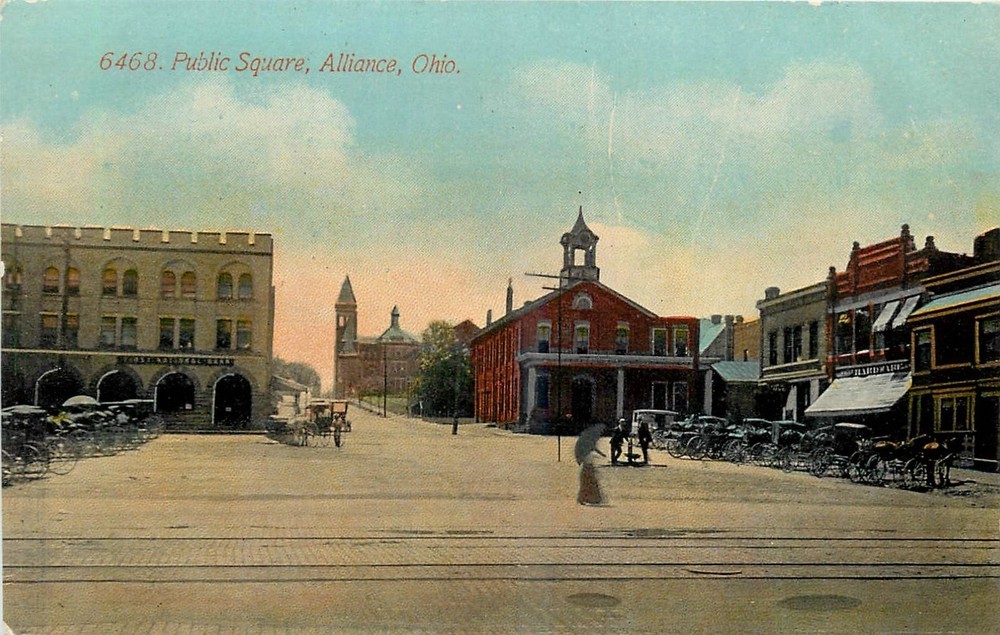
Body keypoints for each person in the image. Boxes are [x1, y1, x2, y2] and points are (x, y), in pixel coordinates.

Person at [574, 424, 607, 505]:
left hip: (588, 466)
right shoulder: (586, 443)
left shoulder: (589, 441)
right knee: (586, 484)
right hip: (586, 467)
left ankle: (591, 499)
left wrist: (601, 454)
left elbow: (593, 448)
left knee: (589, 484)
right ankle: (583, 499)